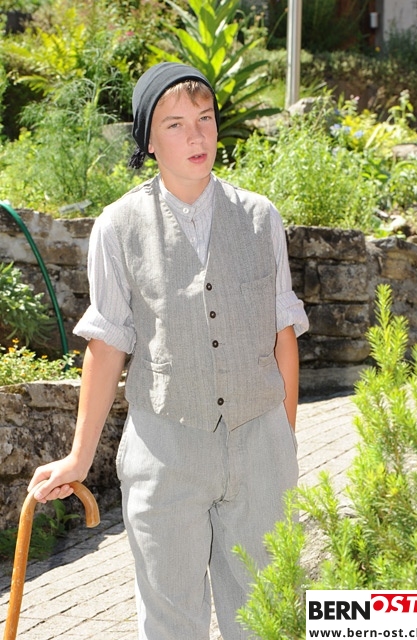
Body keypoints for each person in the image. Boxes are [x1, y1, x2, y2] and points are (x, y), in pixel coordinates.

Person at [28, 62, 309, 640]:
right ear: (149, 141)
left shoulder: (261, 217)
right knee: (171, 626)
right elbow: (107, 343)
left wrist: (283, 440)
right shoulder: (117, 227)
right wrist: (79, 458)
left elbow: (283, 333)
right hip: (166, 449)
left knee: (266, 621)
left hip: (260, 444)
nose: (196, 136)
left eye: (204, 119)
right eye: (175, 124)